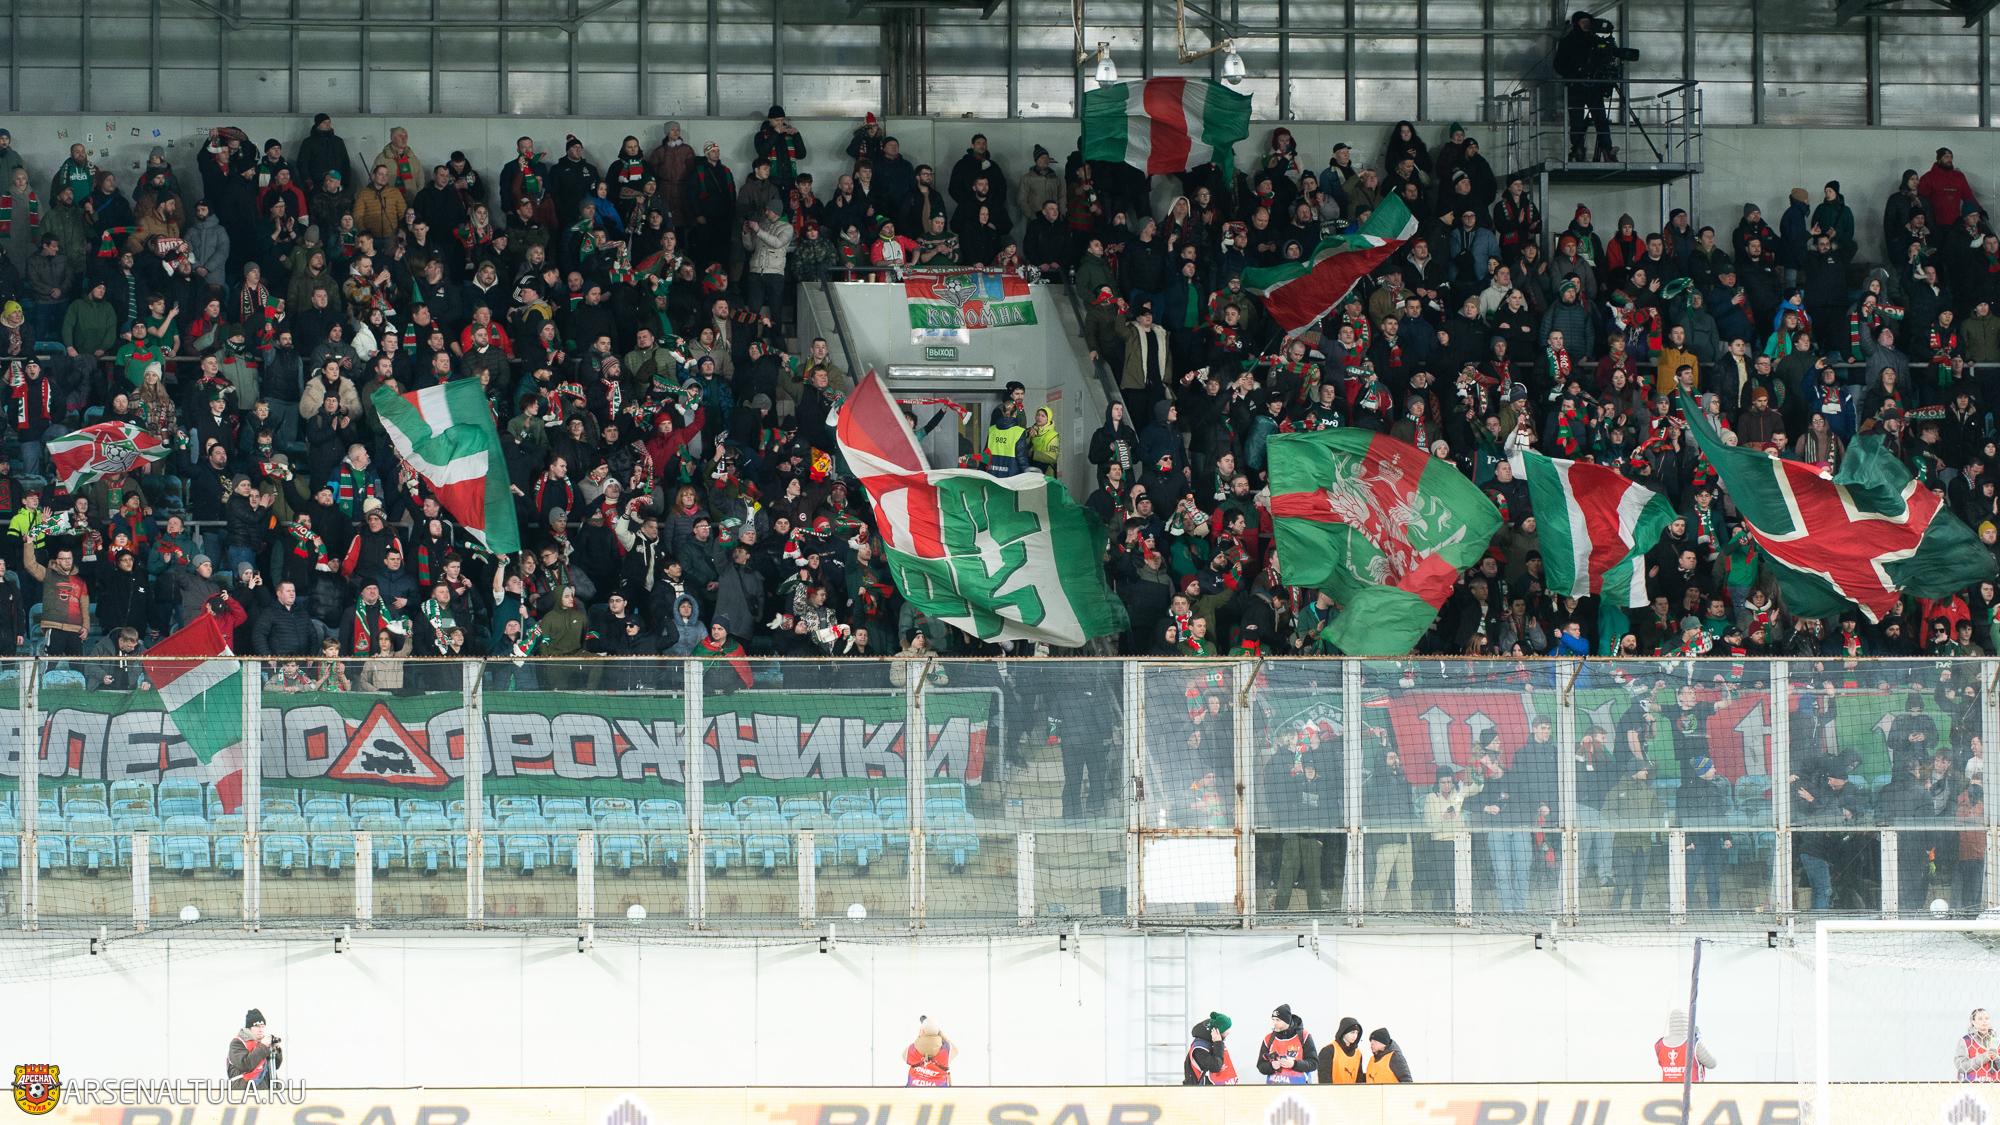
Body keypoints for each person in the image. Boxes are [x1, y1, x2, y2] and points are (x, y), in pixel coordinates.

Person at [1256, 1004, 1317, 1084]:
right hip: (1273, 1088)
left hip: (1299, 1088)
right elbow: (1261, 1065)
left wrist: (1294, 1064)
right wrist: (1271, 1066)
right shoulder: (1268, 1039)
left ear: (1286, 1021)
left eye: (1278, 1020)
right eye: (1273, 1019)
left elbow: (1313, 1063)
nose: (1274, 1023)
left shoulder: (1304, 1036)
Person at [226, 1008, 283, 1091]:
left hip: (266, 1089)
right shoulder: (238, 1043)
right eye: (257, 1026)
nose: (261, 1030)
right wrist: (263, 1046)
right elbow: (246, 1065)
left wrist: (276, 1050)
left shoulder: (262, 1044)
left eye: (263, 1026)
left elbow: (276, 1065)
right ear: (249, 1028)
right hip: (245, 1091)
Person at [1656, 1008, 1715, 1083]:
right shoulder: (1694, 1043)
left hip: (1667, 1089)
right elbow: (1712, 1064)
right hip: (1691, 1089)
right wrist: (1698, 1037)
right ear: (1688, 1022)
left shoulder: (1660, 1045)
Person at [1184, 1011, 1237, 1085]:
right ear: (1216, 1032)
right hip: (1199, 1090)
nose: (1228, 1032)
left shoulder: (1210, 1042)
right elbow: (1216, 1067)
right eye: (1226, 1030)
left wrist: (1218, 1043)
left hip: (1209, 1088)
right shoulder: (1200, 1049)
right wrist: (1218, 1043)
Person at [1316, 1017, 1367, 1084]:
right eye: (1352, 1032)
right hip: (1333, 1090)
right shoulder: (1328, 1051)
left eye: (1357, 1033)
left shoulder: (1358, 1053)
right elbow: (1324, 1078)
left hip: (1352, 1090)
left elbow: (1359, 1078)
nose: (1355, 1036)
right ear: (1344, 1032)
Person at [905, 1017, 952, 1087]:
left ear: (922, 1031)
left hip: (914, 1089)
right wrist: (940, 1033)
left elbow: (904, 1056)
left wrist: (920, 1035)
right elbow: (955, 1050)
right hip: (939, 1090)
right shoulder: (946, 1051)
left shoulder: (912, 1049)